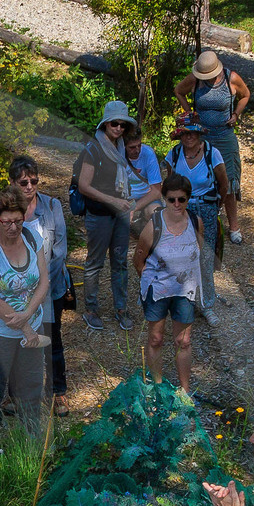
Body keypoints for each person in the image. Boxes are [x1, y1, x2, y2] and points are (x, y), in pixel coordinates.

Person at [0, 187, 48, 447]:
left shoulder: (32, 237)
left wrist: (28, 314)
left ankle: (32, 442)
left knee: (30, 388)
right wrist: (26, 328)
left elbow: (44, 281)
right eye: (7, 222)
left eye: (18, 220)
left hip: (31, 325)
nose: (13, 227)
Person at [76, 102, 159, 334]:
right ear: (105, 124)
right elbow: (84, 185)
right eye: (115, 123)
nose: (119, 128)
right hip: (100, 214)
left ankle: (121, 308)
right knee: (95, 262)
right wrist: (111, 201)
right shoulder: (93, 149)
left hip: (120, 214)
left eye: (123, 124)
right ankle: (91, 309)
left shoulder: (121, 147)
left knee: (120, 262)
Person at [131, 174, 206, 394]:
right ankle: (157, 388)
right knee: (155, 339)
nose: (176, 204)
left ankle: (184, 391)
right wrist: (153, 281)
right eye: (171, 199)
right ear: (164, 198)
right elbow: (139, 260)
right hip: (157, 290)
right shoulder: (154, 225)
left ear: (188, 199)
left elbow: (197, 251)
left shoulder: (195, 222)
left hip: (185, 289)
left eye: (181, 200)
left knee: (183, 341)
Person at [13, 156, 71, 407]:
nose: (29, 186)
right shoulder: (8, 209)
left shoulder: (52, 206)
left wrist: (43, 283)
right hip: (18, 289)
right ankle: (18, 394)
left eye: (34, 181)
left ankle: (57, 391)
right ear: (13, 182)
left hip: (51, 286)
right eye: (23, 182)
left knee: (52, 339)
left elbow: (60, 249)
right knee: (19, 341)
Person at [162, 116, 233, 313]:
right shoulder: (174, 155)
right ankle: (184, 302)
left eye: (193, 132)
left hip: (206, 210)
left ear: (199, 133)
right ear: (180, 136)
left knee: (206, 257)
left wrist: (214, 207)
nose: (189, 136)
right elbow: (170, 186)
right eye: (185, 133)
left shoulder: (212, 154)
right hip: (180, 210)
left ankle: (207, 305)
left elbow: (224, 184)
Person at [175, 48, 251, 223]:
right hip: (202, 136)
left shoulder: (230, 78)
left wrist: (236, 114)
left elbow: (245, 95)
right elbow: (178, 90)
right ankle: (194, 219)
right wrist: (189, 112)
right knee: (201, 179)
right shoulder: (195, 79)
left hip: (225, 135)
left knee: (230, 181)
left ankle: (233, 226)